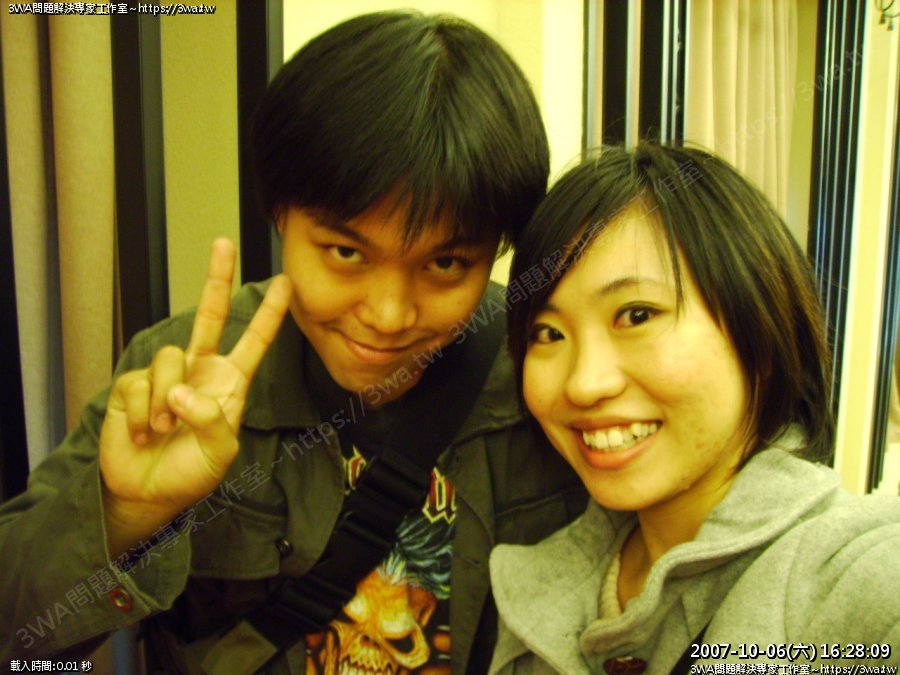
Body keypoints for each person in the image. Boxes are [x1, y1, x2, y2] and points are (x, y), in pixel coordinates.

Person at [0, 11, 588, 674]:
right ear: (280, 215)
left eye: (445, 263)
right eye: (346, 252)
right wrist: (126, 513)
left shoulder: (545, 375)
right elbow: (19, 640)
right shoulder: (184, 381)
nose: (389, 315)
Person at [491, 144, 900, 673]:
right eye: (548, 333)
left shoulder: (846, 577)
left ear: (759, 334)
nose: (584, 384)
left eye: (637, 315)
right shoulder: (540, 575)